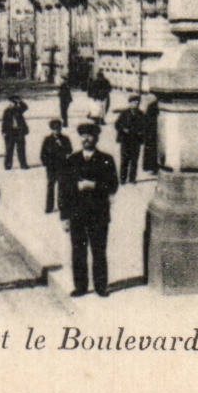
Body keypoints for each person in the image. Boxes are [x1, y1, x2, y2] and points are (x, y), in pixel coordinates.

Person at [58, 121, 118, 297]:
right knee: (78, 252)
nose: (86, 139)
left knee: (99, 251)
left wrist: (94, 185)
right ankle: (81, 286)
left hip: (98, 214)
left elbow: (113, 185)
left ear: (96, 138)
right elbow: (63, 189)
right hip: (77, 214)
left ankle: (101, 286)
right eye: (83, 135)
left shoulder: (106, 159)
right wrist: (64, 217)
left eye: (90, 136)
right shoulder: (71, 160)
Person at [38, 118, 72, 214]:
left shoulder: (65, 139)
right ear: (51, 129)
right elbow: (43, 153)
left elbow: (70, 150)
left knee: (62, 186)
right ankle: (49, 207)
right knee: (50, 186)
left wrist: (62, 147)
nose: (56, 131)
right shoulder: (47, 140)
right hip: (51, 167)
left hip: (62, 166)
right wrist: (46, 162)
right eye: (54, 129)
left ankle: (61, 206)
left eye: (58, 129)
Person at [113, 101, 144, 184]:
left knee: (134, 160)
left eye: (137, 103)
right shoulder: (124, 113)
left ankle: (132, 179)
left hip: (136, 140)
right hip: (125, 140)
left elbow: (145, 125)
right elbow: (117, 124)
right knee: (124, 160)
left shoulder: (141, 114)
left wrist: (141, 132)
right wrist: (123, 129)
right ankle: (122, 179)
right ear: (130, 104)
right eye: (133, 103)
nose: (135, 105)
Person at [0, 94, 30, 170]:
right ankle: (8, 165)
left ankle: (23, 164)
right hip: (10, 132)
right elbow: (4, 122)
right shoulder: (7, 111)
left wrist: (20, 101)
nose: (12, 104)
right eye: (11, 103)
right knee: (9, 149)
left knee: (21, 149)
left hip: (19, 131)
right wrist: (3, 131)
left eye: (14, 103)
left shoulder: (19, 110)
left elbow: (25, 107)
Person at [141, 96, 160, 174]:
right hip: (153, 131)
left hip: (154, 131)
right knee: (153, 150)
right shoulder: (152, 106)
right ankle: (153, 168)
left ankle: (154, 167)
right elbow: (147, 120)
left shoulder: (152, 105)